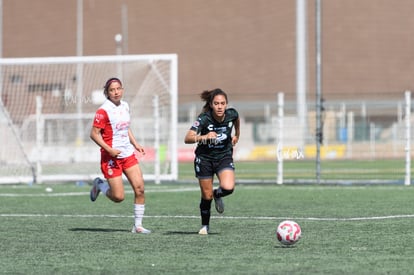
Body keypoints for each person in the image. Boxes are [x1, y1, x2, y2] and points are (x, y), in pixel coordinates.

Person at [89, 77, 151, 234]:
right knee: (118, 197)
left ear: (122, 90)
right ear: (107, 93)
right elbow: (94, 134)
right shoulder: (103, 111)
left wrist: (135, 144)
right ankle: (99, 185)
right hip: (111, 157)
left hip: (128, 155)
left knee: (140, 189)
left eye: (118, 89)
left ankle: (138, 226)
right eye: (112, 90)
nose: (116, 92)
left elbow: (126, 127)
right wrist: (109, 149)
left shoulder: (125, 106)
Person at [184, 88, 240, 235]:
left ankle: (218, 194)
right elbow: (187, 138)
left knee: (228, 187)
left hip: (224, 156)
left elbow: (236, 121)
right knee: (206, 196)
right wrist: (204, 137)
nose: (220, 106)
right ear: (211, 104)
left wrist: (236, 135)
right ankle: (205, 225)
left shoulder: (232, 114)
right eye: (216, 103)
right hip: (204, 159)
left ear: (226, 104)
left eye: (222, 103)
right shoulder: (204, 119)